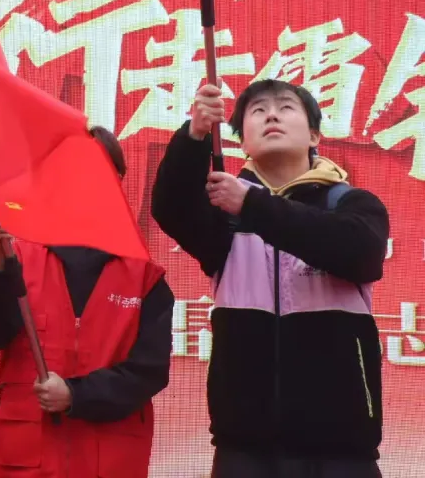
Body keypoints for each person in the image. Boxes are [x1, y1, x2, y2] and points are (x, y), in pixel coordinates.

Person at [151, 80, 389, 478]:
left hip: (342, 449)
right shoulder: (223, 216)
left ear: (314, 135)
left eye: (286, 107)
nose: (272, 115)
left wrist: (253, 205)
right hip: (244, 450)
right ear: (242, 141)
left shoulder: (350, 203)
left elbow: (360, 253)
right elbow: (171, 207)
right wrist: (194, 135)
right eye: (258, 110)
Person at [0, 126, 172, 477]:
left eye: (99, 170)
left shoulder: (145, 278)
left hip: (109, 462)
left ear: (119, 181)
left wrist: (76, 395)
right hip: (26, 462)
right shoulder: (19, 259)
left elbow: (148, 372)